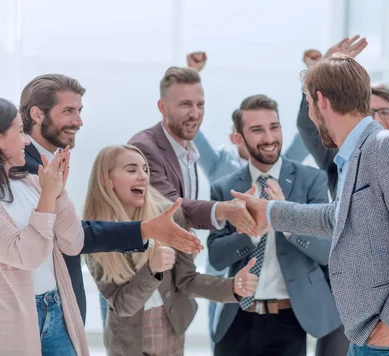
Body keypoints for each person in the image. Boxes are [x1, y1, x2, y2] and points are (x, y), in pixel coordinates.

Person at [231, 55, 389, 356]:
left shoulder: (386, 147)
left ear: (320, 101)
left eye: (309, 105)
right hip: (372, 332)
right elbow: (339, 216)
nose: (312, 117)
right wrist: (272, 212)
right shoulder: (354, 154)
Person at [18, 74, 202, 326]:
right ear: (37, 115)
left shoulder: (50, 161)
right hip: (31, 310)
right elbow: (70, 235)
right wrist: (146, 229)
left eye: (79, 110)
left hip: (57, 308)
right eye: (69, 111)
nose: (79, 121)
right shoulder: (18, 166)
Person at [84, 144, 258, 356]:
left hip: (171, 327)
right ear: (106, 180)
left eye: (145, 169)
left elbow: (187, 280)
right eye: (131, 170)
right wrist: (152, 270)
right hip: (127, 342)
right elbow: (122, 306)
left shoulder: (170, 216)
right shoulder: (95, 235)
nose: (143, 177)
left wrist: (232, 287)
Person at [207, 94, 340, 356]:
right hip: (236, 320)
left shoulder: (311, 180)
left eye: (274, 127)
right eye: (257, 130)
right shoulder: (225, 189)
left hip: (288, 321)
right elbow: (217, 257)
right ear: (239, 138)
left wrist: (286, 220)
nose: (269, 138)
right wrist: (254, 232)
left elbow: (327, 251)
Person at [297, 37, 389, 198]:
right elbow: (309, 126)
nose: (376, 119)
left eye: (385, 112)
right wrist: (322, 72)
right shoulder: (341, 155)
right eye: (369, 112)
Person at [0, 98, 87, 355]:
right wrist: (48, 197)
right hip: (15, 320)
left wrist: (58, 193)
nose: (26, 141)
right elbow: (27, 255)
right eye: (19, 131)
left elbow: (73, 242)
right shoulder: (39, 188)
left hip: (56, 307)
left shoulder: (29, 181)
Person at [128, 66, 258, 236]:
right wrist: (223, 209)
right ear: (162, 107)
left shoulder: (188, 151)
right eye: (185, 104)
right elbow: (171, 207)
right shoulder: (144, 148)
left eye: (200, 105)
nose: (195, 114)